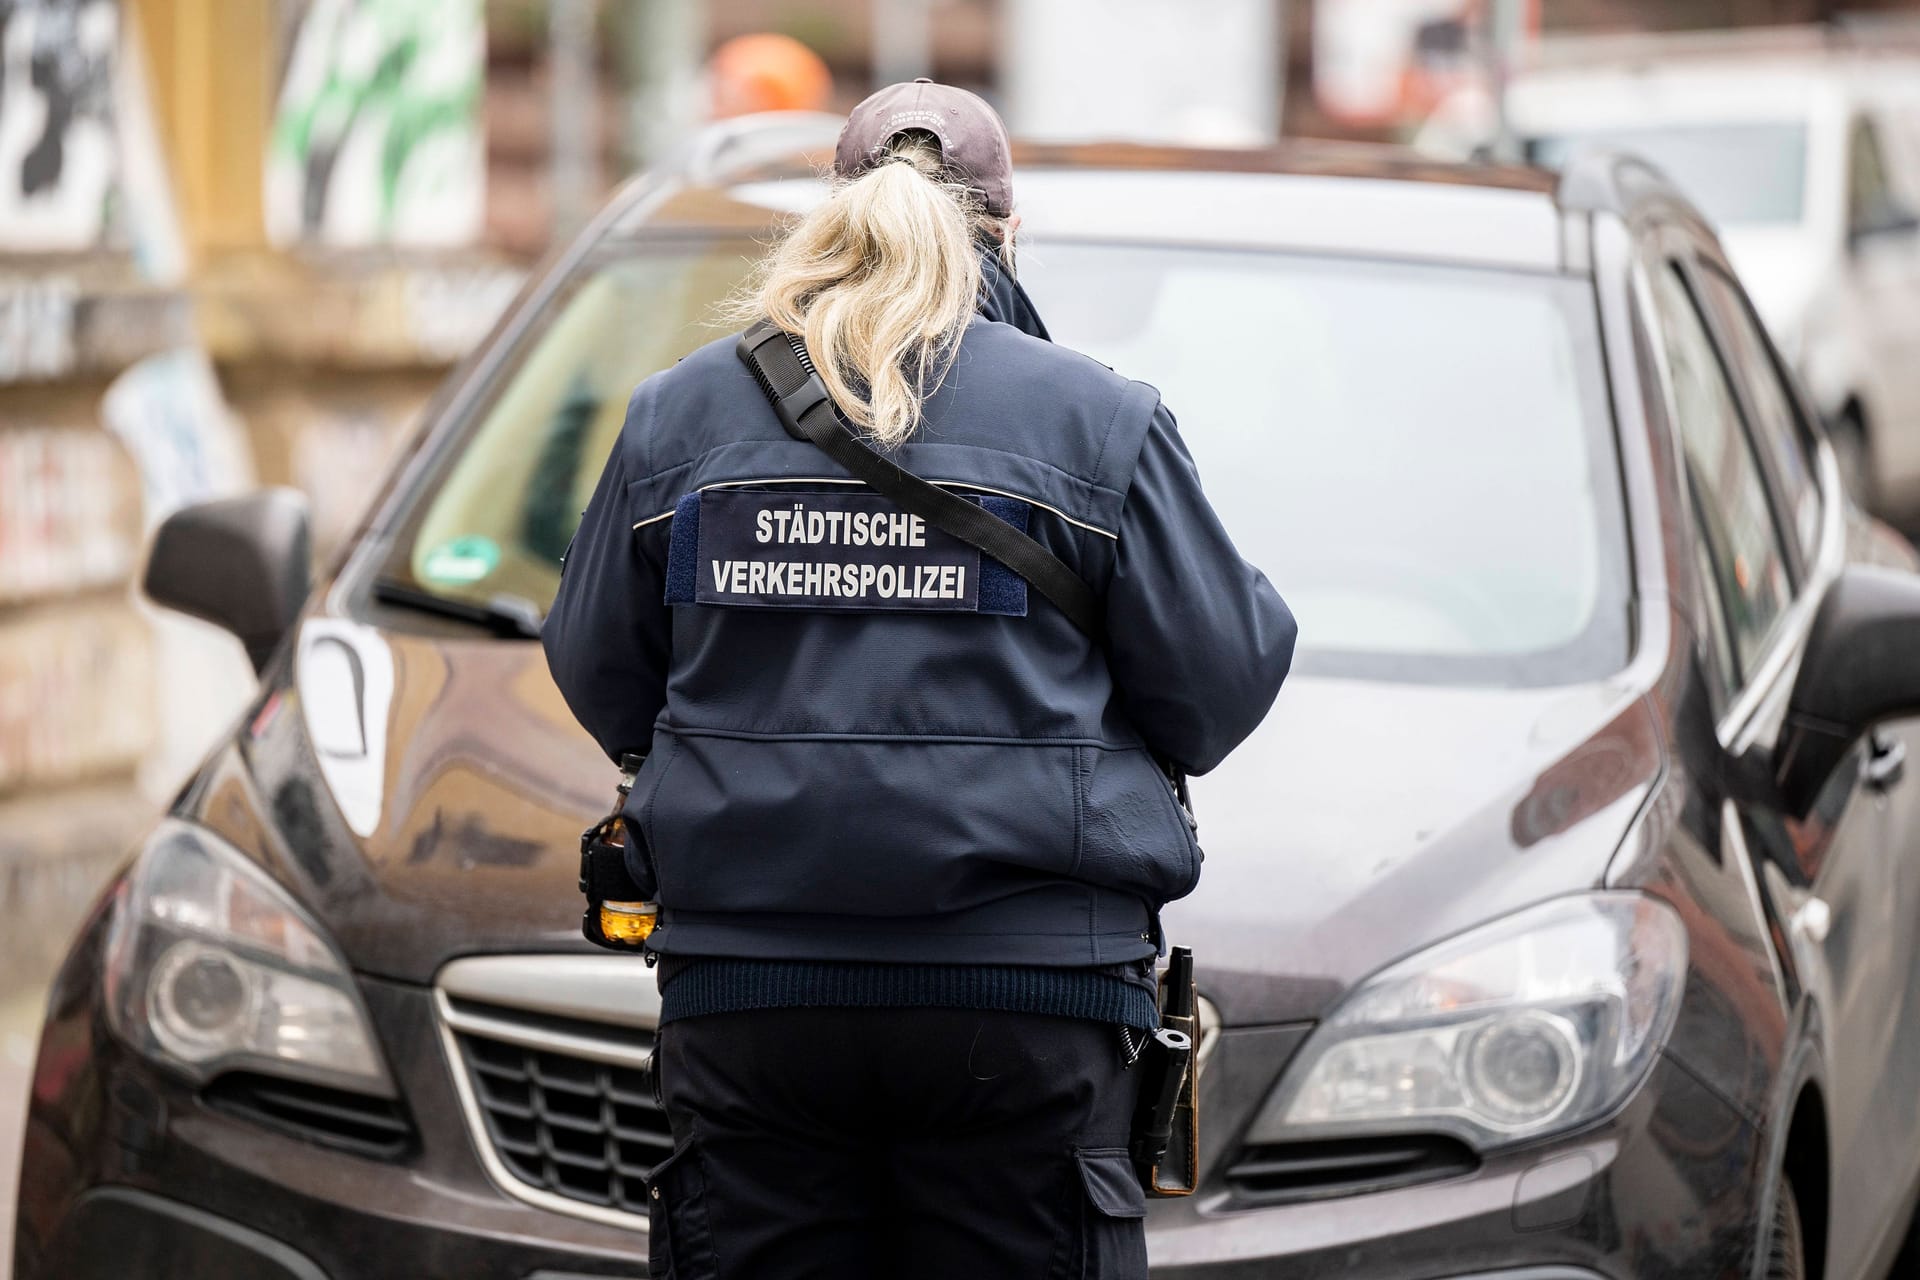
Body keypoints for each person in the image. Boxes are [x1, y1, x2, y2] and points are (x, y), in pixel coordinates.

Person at [542, 79, 1294, 1280]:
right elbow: (1220, 686)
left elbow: (599, 674)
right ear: (1002, 232)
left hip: (750, 998)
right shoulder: (1100, 420)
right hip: (1029, 1007)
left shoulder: (677, 418)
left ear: (831, 220)